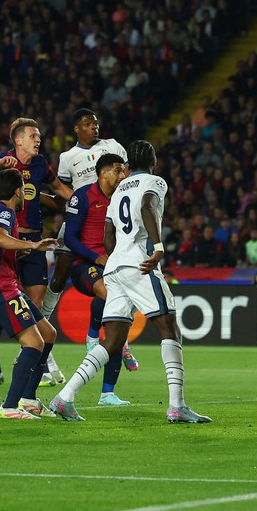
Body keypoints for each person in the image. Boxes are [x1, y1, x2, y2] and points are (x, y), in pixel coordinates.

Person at [50, 140, 212, 423]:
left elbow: (107, 238)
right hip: (140, 265)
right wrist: (158, 246)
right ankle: (177, 406)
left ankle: (65, 397)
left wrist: (118, 259)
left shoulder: (118, 191)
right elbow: (148, 206)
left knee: (111, 341)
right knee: (170, 329)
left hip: (114, 267)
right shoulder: (155, 182)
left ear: (127, 165)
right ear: (153, 160)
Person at [40, 109, 139, 375]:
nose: (94, 127)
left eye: (96, 123)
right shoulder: (67, 157)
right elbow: (61, 191)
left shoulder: (112, 146)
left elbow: (126, 176)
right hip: (81, 212)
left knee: (114, 285)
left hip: (108, 212)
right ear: (77, 129)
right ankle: (42, 331)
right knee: (58, 279)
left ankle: (118, 341)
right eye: (87, 124)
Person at [0, 117, 72, 385]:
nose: (38, 139)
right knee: (3, 296)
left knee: (36, 303)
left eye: (39, 136)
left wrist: (85, 200)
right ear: (18, 140)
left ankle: (30, 353)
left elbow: (59, 189)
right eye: (33, 136)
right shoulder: (6, 162)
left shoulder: (41, 164)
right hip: (10, 243)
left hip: (33, 243)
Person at [0, 168, 58, 419]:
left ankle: (29, 399)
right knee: (34, 343)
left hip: (4, 286)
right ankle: (10, 406)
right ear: (17, 191)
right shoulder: (4, 212)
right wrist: (31, 244)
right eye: (23, 189)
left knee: (48, 333)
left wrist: (17, 251)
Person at [64, 153, 130, 406]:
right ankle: (92, 335)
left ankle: (108, 393)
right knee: (111, 295)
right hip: (85, 266)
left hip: (114, 266)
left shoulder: (122, 196)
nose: (121, 175)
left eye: (123, 170)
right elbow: (69, 237)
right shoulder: (82, 196)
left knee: (117, 324)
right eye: (117, 170)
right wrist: (95, 257)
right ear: (103, 173)